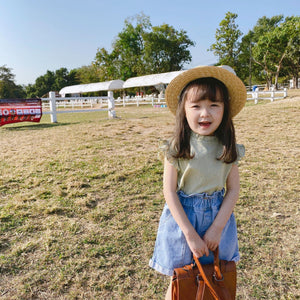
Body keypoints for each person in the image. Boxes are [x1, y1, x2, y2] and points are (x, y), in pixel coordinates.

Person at [149, 66, 247, 299]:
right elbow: (169, 192)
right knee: (181, 279)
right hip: (184, 220)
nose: (205, 113)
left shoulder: (227, 147)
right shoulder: (177, 147)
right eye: (196, 106)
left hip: (218, 218)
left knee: (214, 275)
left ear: (225, 110)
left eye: (214, 105)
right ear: (184, 109)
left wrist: (216, 229)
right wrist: (190, 234)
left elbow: (233, 190)